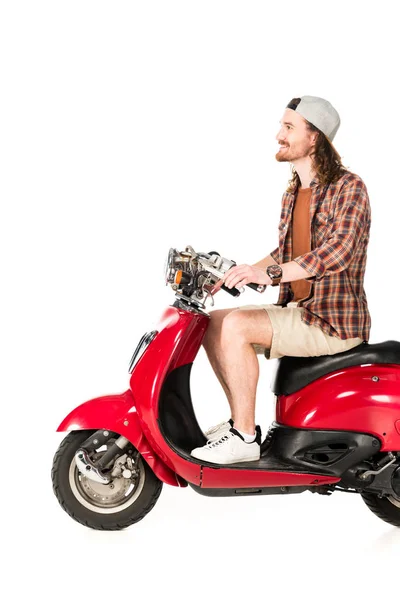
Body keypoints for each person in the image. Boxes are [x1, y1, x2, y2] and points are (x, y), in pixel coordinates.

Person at [191, 95, 371, 465]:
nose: (279, 135)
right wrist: (236, 275)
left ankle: (243, 437)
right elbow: (284, 251)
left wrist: (269, 275)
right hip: (299, 310)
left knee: (238, 326)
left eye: (289, 127)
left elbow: (336, 253)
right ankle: (242, 427)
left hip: (331, 322)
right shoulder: (295, 191)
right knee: (212, 324)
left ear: (315, 138)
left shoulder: (349, 188)